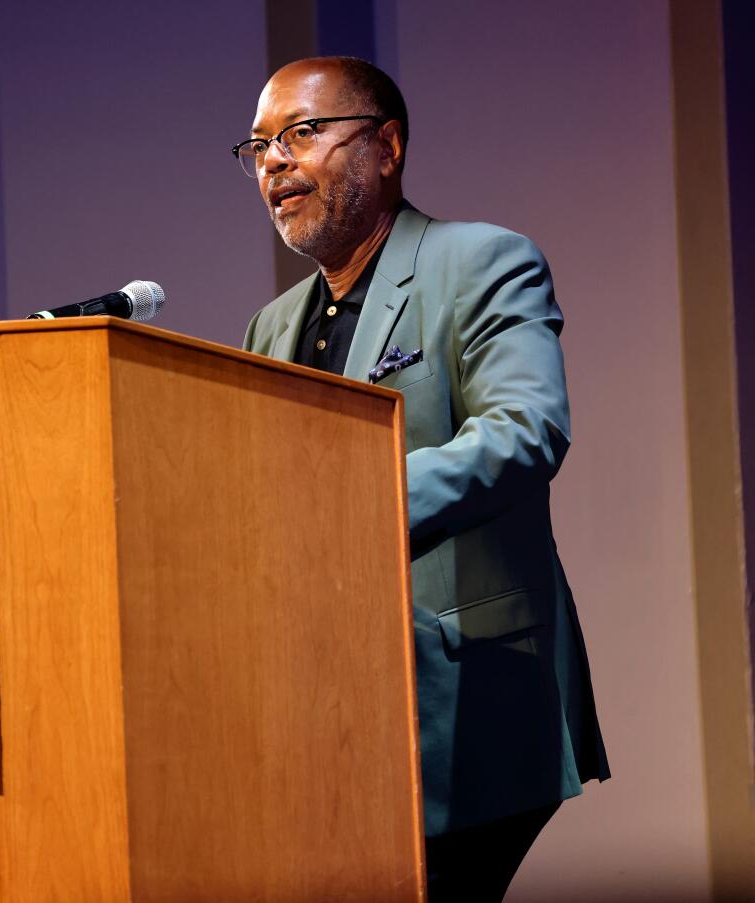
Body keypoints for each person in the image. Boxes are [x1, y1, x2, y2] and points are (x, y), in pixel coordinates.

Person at [238, 57, 609, 901]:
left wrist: (351, 501)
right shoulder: (271, 326)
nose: (273, 162)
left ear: (387, 145)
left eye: (300, 133)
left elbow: (525, 428)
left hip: (473, 689)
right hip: (326, 720)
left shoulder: (479, 260)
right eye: (257, 146)